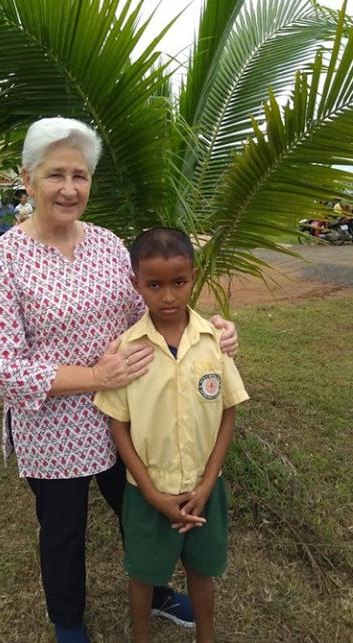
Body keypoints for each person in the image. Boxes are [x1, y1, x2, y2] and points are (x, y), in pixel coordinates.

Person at [0, 117, 239, 643]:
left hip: (128, 414)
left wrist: (208, 328)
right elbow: (1, 367)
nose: (69, 188)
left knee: (141, 510)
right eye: (55, 175)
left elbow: (151, 305)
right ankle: (69, 624)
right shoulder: (4, 258)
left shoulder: (107, 246)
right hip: (54, 429)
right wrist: (94, 374)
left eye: (80, 175)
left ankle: (157, 589)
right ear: (28, 180)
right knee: (64, 532)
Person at [94, 228, 249, 643]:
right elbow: (118, 425)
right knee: (143, 573)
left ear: (193, 277)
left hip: (204, 489)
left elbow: (228, 410)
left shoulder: (213, 342)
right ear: (135, 284)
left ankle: (207, 636)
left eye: (178, 283)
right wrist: (149, 492)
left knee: (202, 569)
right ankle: (141, 636)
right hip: (149, 492)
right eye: (154, 285)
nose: (167, 297)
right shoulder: (128, 349)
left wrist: (209, 479)